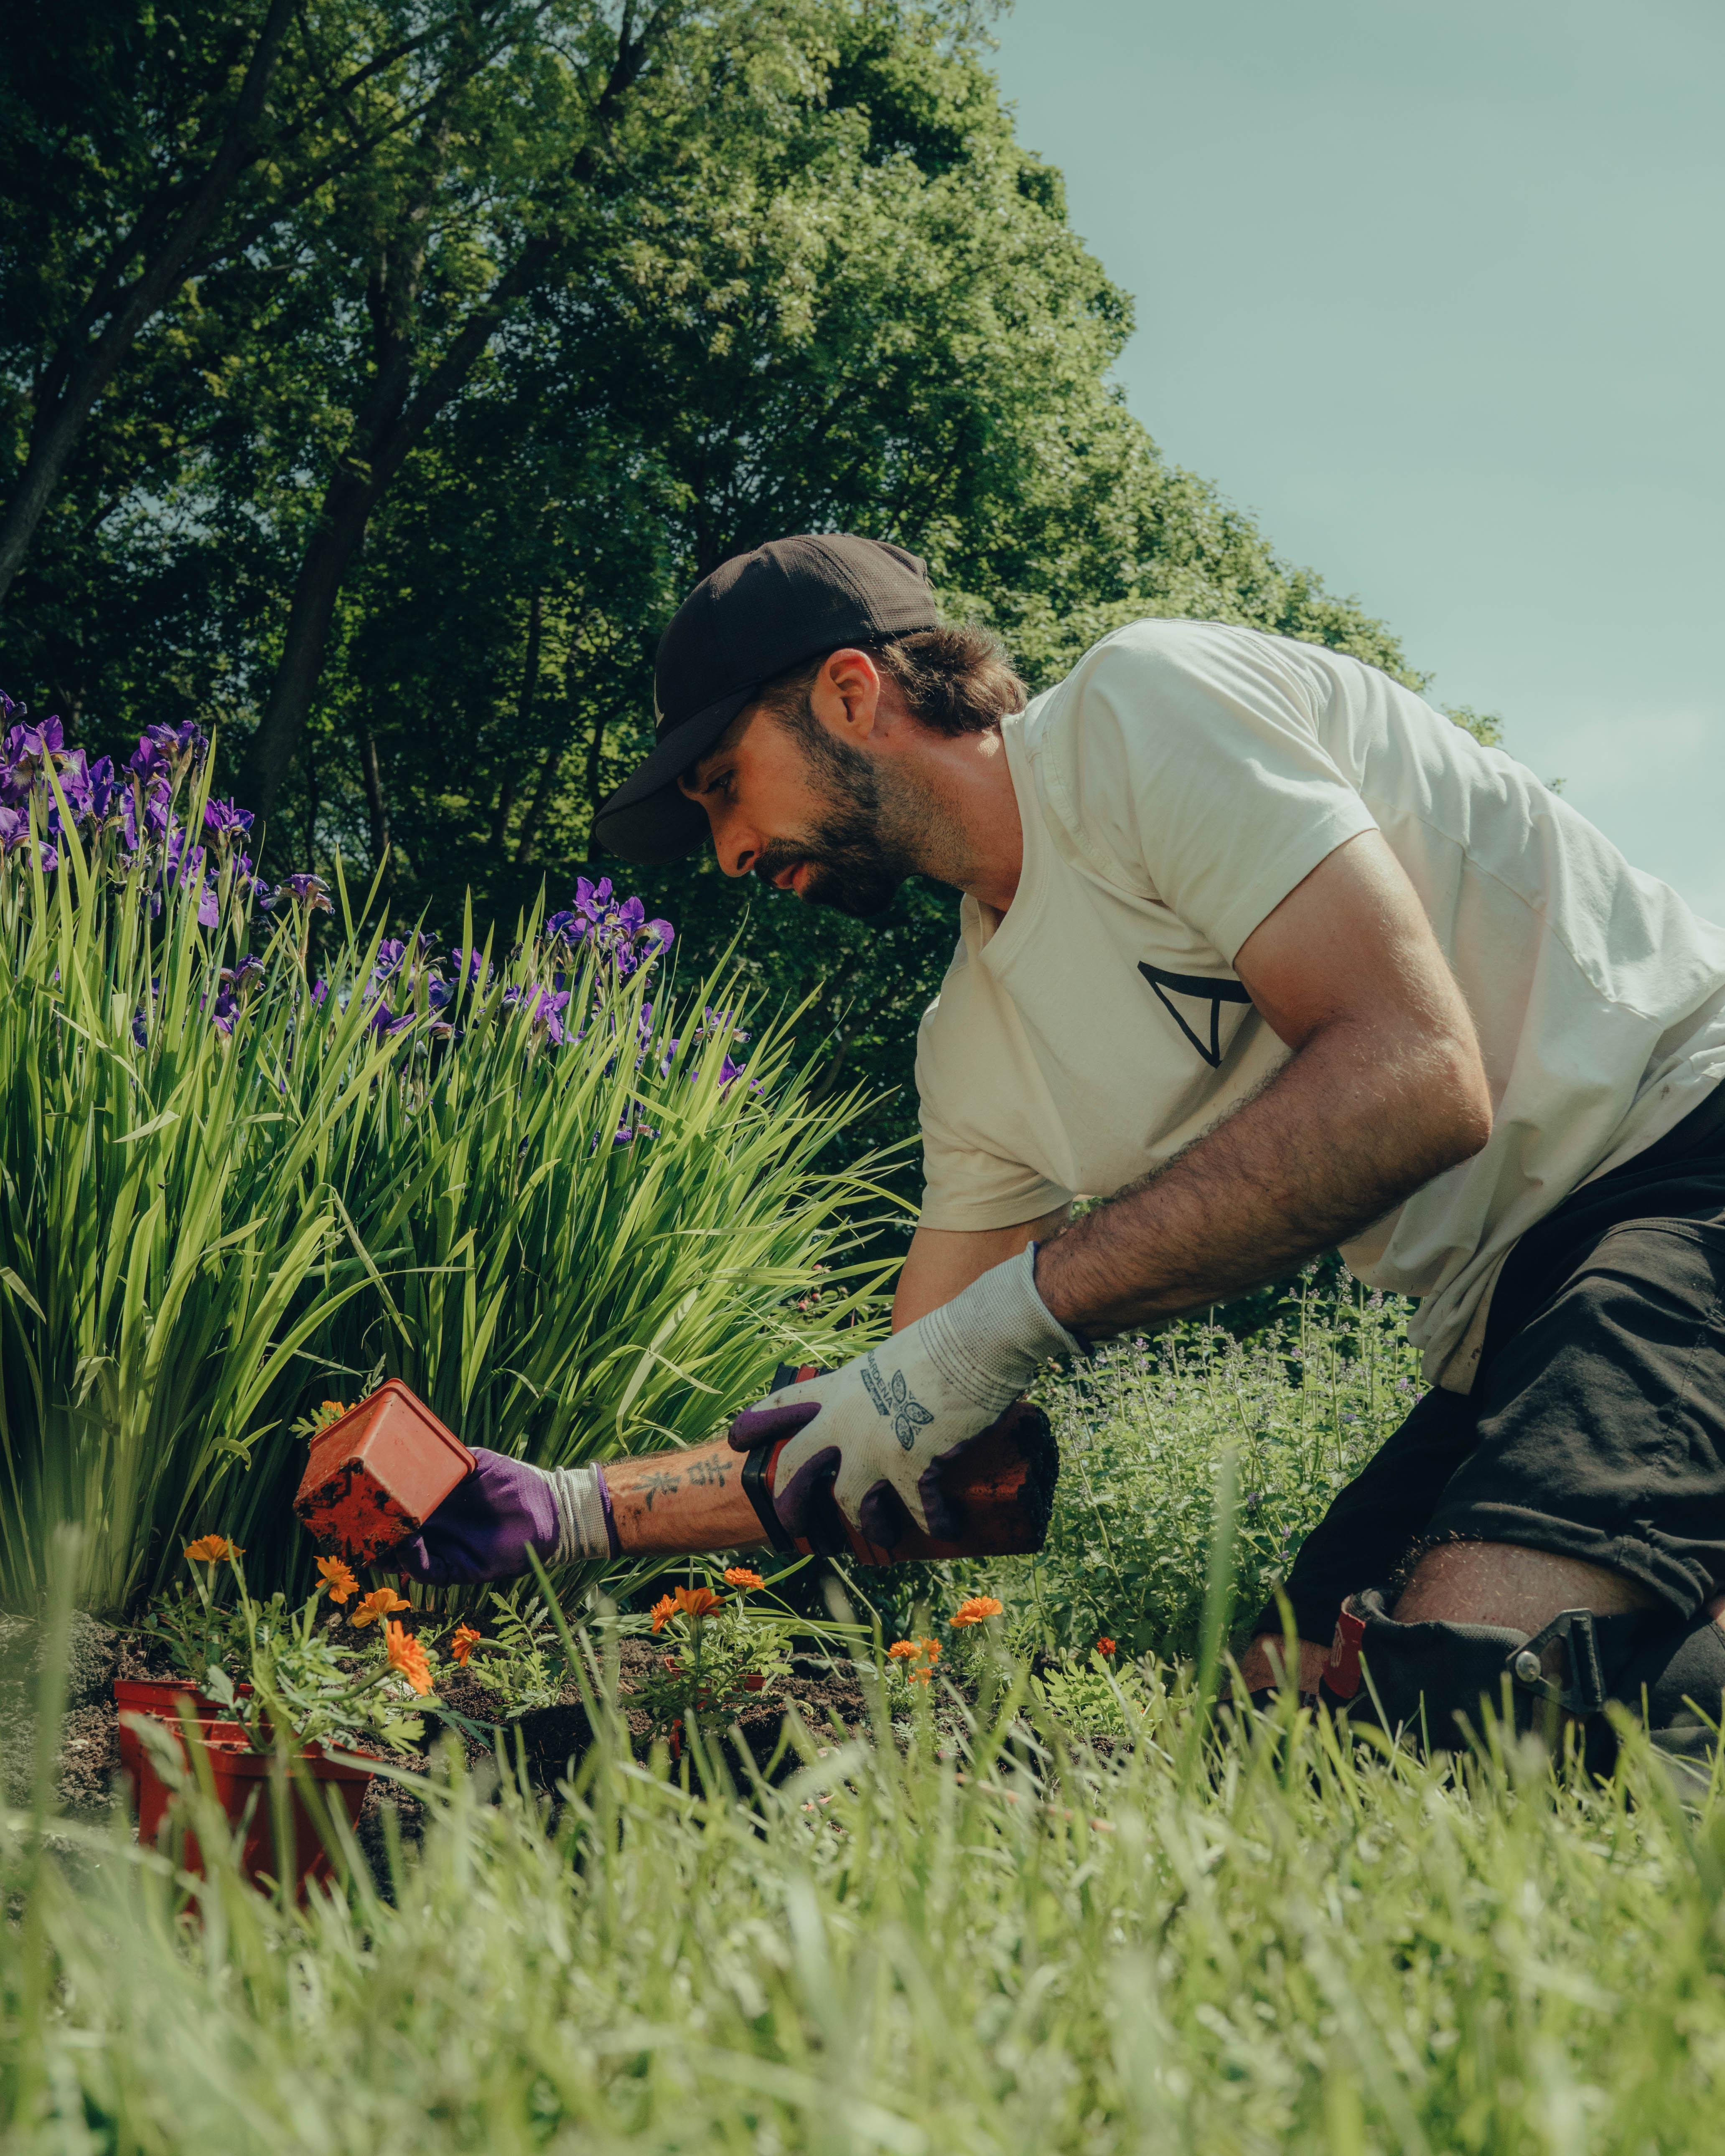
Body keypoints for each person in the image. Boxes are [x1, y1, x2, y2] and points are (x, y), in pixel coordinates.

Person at [406, 533, 1725, 1767]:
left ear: (853, 694)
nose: (732, 850)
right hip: (1501, 1321)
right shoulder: (975, 1051)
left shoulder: (1145, 715)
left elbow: (1415, 1083)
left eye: (723, 788)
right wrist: (578, 1509)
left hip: (1679, 1156)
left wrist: (998, 1332)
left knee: (1474, 1697)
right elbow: (893, 1430)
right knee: (1290, 1731)